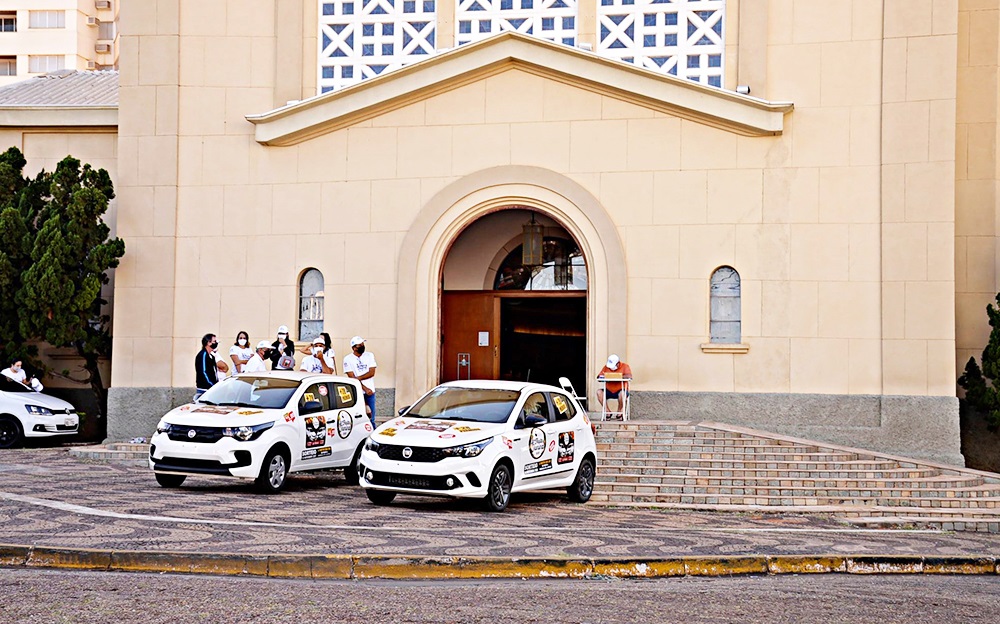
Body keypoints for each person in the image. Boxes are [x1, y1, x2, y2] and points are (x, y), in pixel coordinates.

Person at [344, 336, 377, 426]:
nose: (362, 346)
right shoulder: (348, 359)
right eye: (360, 345)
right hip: (357, 393)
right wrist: (365, 388)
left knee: (371, 418)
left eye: (363, 344)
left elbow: (371, 372)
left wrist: (358, 378)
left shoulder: (369, 355)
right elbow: (351, 377)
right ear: (354, 348)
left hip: (370, 393)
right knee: (359, 419)